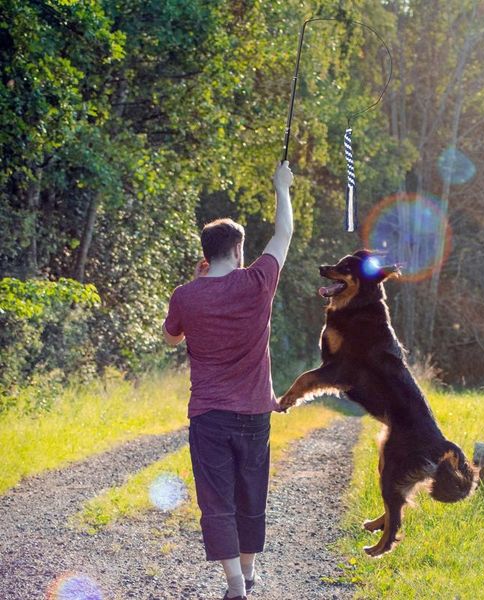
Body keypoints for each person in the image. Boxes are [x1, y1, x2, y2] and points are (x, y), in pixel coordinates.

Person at [162, 162, 294, 600]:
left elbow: (169, 339)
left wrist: (198, 286)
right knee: (250, 491)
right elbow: (284, 233)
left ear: (206, 252)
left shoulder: (186, 295)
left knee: (216, 498)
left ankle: (235, 585)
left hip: (209, 416)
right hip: (255, 412)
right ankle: (250, 571)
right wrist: (281, 186)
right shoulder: (257, 282)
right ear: (238, 251)